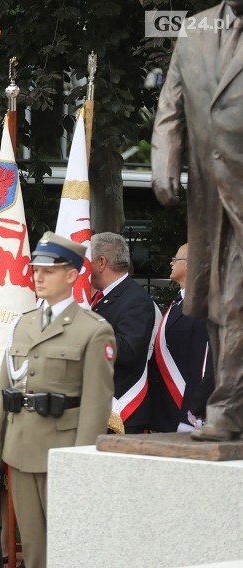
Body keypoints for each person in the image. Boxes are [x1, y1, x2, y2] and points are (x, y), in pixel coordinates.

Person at [0, 231, 116, 568]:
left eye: (49, 270)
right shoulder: (23, 324)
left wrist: (80, 463)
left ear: (71, 275)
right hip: (20, 449)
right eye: (35, 269)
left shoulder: (93, 330)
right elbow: (5, 393)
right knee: (35, 548)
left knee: (68, 546)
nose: (38, 276)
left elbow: (97, 406)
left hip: (63, 452)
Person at [151, 0, 243, 441]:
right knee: (211, 300)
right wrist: (164, 158)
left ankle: (226, 409)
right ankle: (230, 408)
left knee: (234, 299)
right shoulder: (195, 28)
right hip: (210, 192)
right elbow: (172, 101)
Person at [89, 232, 158, 433]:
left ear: (101, 262)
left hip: (121, 411)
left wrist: (84, 337)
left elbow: (128, 351)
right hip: (99, 404)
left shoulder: (135, 300)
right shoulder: (105, 297)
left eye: (87, 260)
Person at [148, 244, 215, 433]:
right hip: (165, 405)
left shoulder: (203, 305)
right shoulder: (181, 300)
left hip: (184, 411)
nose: (171, 263)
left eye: (175, 260)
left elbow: (203, 365)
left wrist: (192, 411)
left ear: (189, 264)